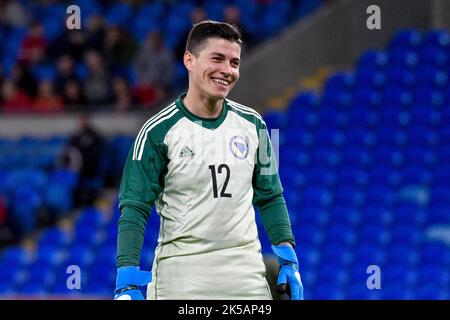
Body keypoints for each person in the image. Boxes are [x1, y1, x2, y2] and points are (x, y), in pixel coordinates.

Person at [114, 20, 303, 300]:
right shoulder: (156, 132)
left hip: (247, 287)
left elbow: (271, 196)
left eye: (234, 62)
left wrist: (288, 258)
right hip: (181, 288)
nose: (227, 70)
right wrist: (126, 281)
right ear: (189, 60)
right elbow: (134, 209)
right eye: (217, 58)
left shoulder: (255, 126)